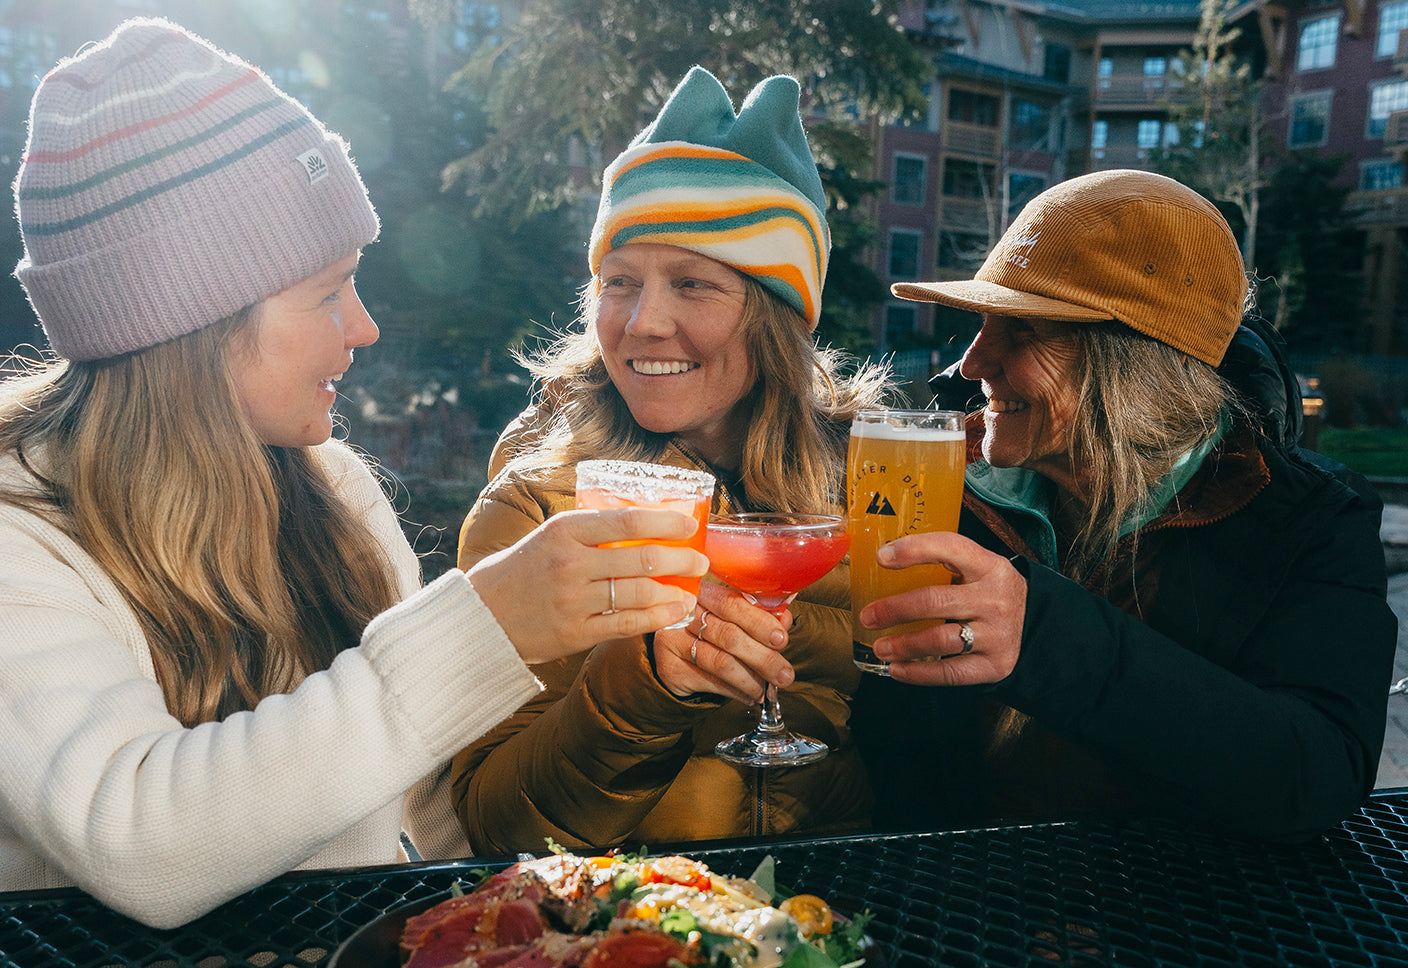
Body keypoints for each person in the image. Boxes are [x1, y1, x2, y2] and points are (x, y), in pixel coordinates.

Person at [0, 18, 706, 929]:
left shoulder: (332, 484)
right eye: (326, 292)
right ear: (191, 321)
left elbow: (417, 830)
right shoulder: (22, 535)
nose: (364, 325)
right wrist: (484, 625)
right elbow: (141, 843)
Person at [851, 169, 1397, 842]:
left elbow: (1316, 782)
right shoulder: (933, 482)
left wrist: (1048, 637)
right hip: (957, 906)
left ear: (1135, 367)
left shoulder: (1312, 520)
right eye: (982, 323)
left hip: (1181, 914)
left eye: (1019, 331)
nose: (970, 364)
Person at [451, 66, 895, 853]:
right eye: (619, 282)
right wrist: (646, 685)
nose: (643, 323)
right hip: (626, 921)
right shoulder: (537, 503)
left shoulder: (868, 482)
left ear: (777, 318)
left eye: (693, 284)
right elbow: (495, 825)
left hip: (831, 907)